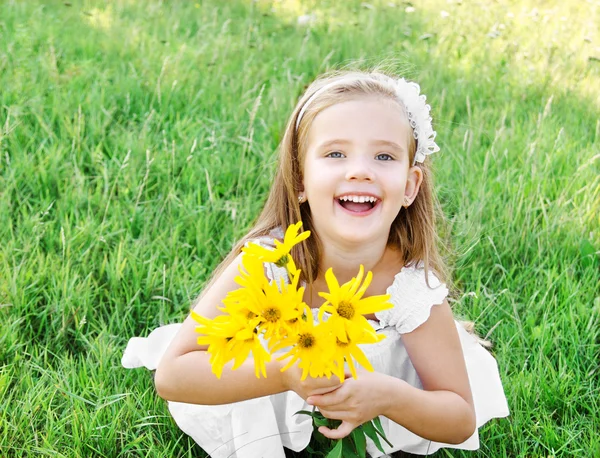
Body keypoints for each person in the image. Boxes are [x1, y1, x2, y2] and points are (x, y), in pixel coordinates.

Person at [122, 70, 509, 458]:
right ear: (300, 179)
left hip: (385, 395)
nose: (360, 170)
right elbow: (173, 376)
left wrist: (390, 397)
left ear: (409, 186)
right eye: (335, 154)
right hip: (266, 382)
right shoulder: (268, 262)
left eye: (384, 156)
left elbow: (459, 418)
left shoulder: (407, 288)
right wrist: (285, 372)